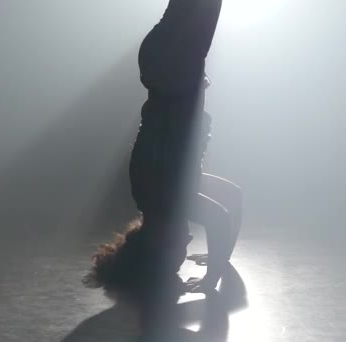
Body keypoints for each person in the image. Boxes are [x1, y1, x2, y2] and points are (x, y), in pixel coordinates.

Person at [84, 0, 242, 295]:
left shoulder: (169, 201)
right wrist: (220, 258)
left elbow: (221, 218)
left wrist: (211, 280)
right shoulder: (151, 196)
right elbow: (234, 198)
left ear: (159, 247)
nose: (186, 243)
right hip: (159, 68)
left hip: (175, 73)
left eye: (177, 256)